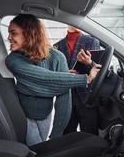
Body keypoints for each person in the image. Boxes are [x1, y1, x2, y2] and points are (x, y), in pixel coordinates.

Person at [5, 14, 101, 146]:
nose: (8, 37)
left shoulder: (57, 57)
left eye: (13, 33)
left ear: (29, 33)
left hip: (45, 114)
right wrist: (86, 78)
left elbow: (64, 95)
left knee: (45, 147)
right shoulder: (12, 60)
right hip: (22, 113)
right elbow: (43, 77)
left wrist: (56, 135)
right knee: (37, 150)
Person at [54, 26, 100, 135]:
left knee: (90, 135)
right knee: (66, 136)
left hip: (87, 96)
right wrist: (64, 73)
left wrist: (89, 63)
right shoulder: (56, 46)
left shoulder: (92, 41)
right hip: (65, 96)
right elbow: (52, 74)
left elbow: (99, 69)